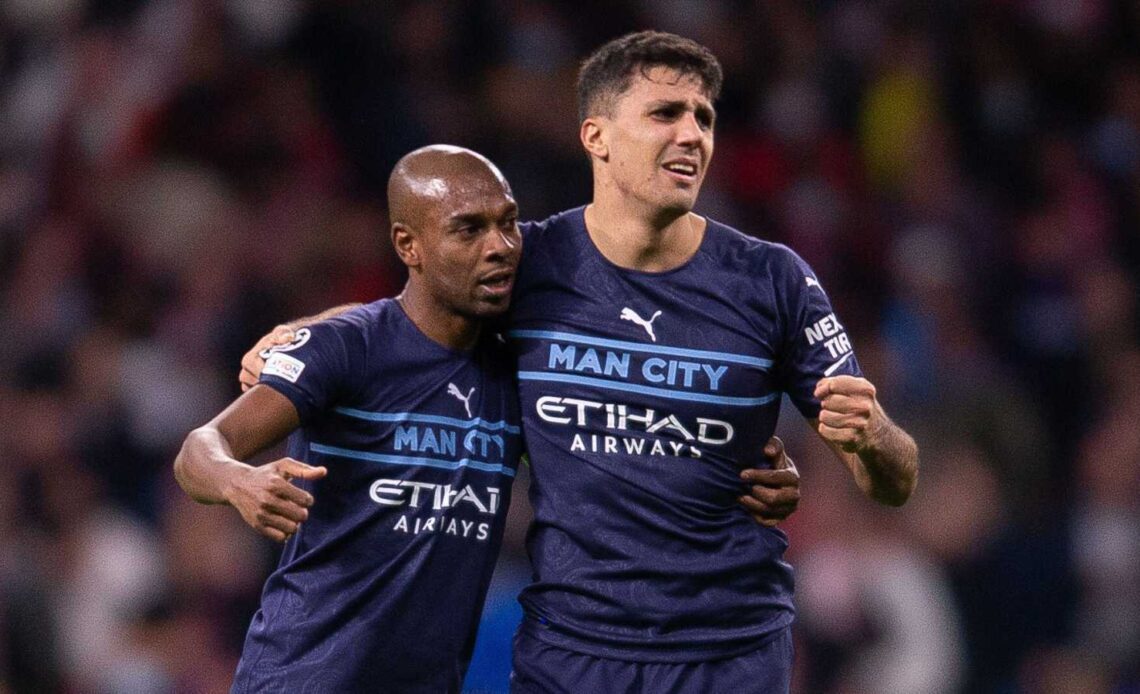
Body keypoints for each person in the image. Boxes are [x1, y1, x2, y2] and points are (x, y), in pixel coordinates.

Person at [242, 31, 918, 694]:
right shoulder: (527, 266)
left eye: (704, 118)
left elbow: (892, 480)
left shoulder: (772, 280)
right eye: (665, 114)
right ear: (596, 136)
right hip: (571, 654)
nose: (692, 135)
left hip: (727, 653)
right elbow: (407, 319)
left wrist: (873, 438)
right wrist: (304, 334)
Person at [173, 145, 528, 693]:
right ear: (408, 245)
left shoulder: (517, 372)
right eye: (468, 230)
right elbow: (201, 446)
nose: (499, 246)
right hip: (303, 679)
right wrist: (238, 480)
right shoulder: (348, 349)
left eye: (509, 224)